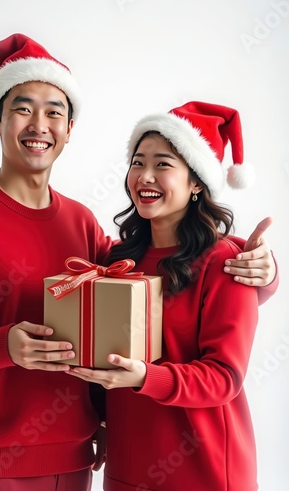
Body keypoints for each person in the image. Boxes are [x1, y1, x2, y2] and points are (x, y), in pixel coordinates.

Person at [0, 32, 276, 490]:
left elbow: (156, 271)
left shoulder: (80, 223)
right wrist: (4, 346)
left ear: (69, 130)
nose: (40, 124)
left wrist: (256, 269)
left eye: (55, 112)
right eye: (23, 108)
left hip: (81, 463)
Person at [67, 101, 276, 490]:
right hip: (128, 464)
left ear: (196, 182)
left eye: (163, 164)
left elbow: (223, 377)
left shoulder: (224, 262)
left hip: (204, 468)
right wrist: (98, 418)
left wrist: (146, 376)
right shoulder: (117, 260)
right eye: (137, 162)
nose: (145, 175)